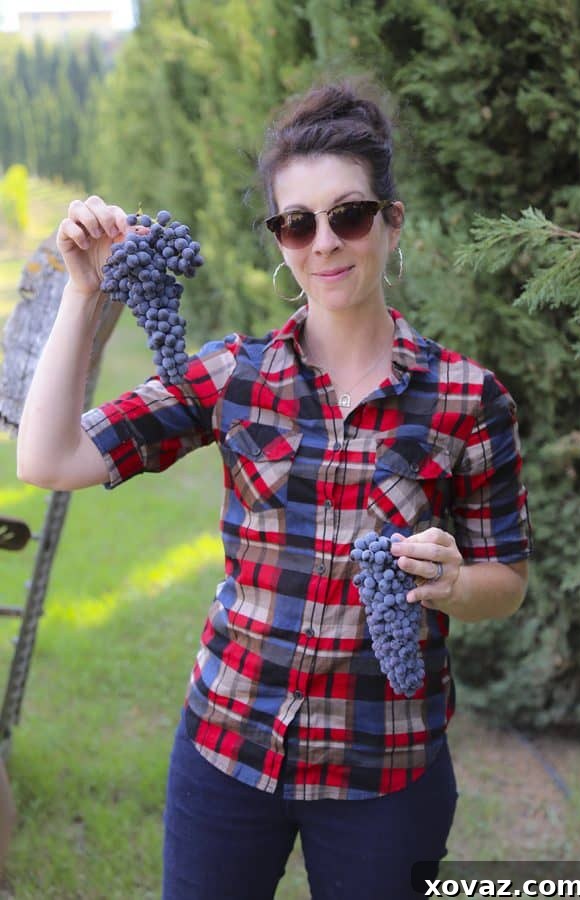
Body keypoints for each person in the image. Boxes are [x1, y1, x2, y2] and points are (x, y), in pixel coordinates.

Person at [16, 79, 532, 899]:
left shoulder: (470, 398)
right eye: (297, 222)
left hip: (385, 773)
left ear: (391, 224)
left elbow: (506, 582)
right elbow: (48, 459)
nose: (324, 242)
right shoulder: (235, 375)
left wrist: (455, 583)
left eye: (349, 215)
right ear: (281, 239)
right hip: (226, 755)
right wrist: (84, 292)